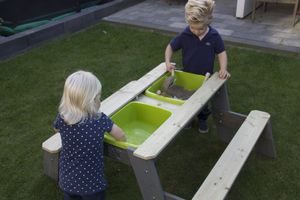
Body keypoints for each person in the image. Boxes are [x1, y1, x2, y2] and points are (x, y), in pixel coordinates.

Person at [53, 70, 126, 200]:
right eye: (98, 96)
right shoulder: (99, 119)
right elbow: (120, 135)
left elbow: (56, 129)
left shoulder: (62, 118)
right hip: (91, 185)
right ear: (92, 100)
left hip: (67, 181)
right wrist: (124, 139)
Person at [164, 0, 230, 133]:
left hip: (205, 77)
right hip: (188, 74)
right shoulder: (185, 34)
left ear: (208, 22)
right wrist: (167, 62)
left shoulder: (214, 36)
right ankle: (189, 119)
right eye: (193, 28)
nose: (196, 31)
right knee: (187, 98)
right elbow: (170, 47)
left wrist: (223, 68)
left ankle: (202, 119)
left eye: (200, 28)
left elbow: (222, 53)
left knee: (202, 102)